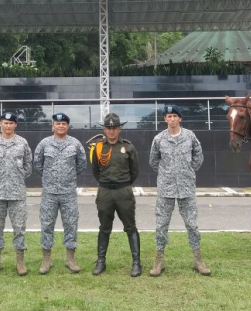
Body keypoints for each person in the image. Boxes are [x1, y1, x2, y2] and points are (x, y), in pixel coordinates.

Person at [148, 105, 210, 277]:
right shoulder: (159, 139)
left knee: (192, 225)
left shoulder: (189, 136)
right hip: (165, 188)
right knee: (161, 225)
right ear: (165, 119)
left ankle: (198, 260)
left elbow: (199, 155)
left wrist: (188, 171)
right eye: (169, 116)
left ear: (180, 118)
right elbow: (153, 161)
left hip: (186, 188)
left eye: (175, 116)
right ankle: (159, 261)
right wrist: (166, 174)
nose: (172, 119)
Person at [33, 112, 87, 274]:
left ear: (68, 126)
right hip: (49, 192)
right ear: (53, 126)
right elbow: (38, 164)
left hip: (68, 192)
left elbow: (81, 165)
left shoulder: (75, 144)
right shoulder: (44, 144)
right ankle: (46, 260)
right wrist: (50, 178)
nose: (61, 126)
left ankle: (70, 259)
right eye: (58, 123)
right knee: (47, 225)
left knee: (71, 225)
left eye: (64, 123)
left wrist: (67, 178)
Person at [90, 112, 141, 277]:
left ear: (120, 129)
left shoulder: (129, 147)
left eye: (114, 127)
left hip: (123, 191)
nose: (111, 131)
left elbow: (135, 172)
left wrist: (122, 184)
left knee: (130, 227)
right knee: (104, 228)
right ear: (104, 129)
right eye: (108, 127)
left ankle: (136, 263)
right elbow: (95, 171)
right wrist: (106, 183)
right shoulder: (98, 147)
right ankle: (100, 262)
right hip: (105, 191)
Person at [0, 112, 33, 277]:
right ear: (0, 124)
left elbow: (28, 166)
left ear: (15, 125)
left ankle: (20, 262)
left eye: (12, 123)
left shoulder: (22, 143)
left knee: (19, 228)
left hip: (17, 193)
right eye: (6, 123)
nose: (9, 126)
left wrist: (16, 177)